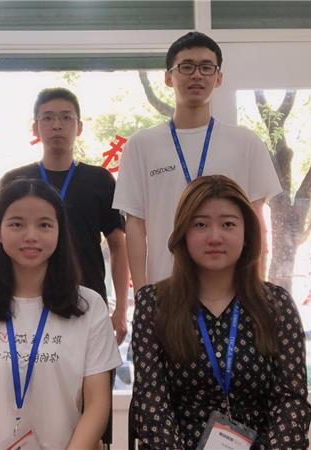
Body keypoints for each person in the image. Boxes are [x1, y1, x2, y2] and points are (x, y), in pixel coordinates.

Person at [0, 179, 122, 449]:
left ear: (60, 231)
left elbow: (97, 404)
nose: (31, 235)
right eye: (17, 224)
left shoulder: (89, 307)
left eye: (44, 225)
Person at [131, 175, 311, 449]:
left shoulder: (277, 305)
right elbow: (151, 403)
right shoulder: (153, 304)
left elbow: (291, 401)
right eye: (200, 224)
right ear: (183, 233)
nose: (214, 237)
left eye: (228, 224)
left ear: (247, 233)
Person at [113, 31, 281, 289]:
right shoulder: (141, 145)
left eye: (206, 67)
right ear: (168, 77)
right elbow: (135, 224)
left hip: (233, 292)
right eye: (186, 66)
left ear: (219, 78)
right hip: (165, 289)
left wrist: (256, 288)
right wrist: (143, 293)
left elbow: (257, 222)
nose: (197, 75)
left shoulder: (246, 143)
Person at [0, 87, 129, 343]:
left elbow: (118, 245)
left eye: (66, 117)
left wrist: (121, 309)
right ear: (35, 128)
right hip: (26, 301)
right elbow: (0, 242)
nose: (57, 125)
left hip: (87, 301)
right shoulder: (15, 180)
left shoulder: (100, 180)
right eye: (47, 117)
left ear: (79, 127)